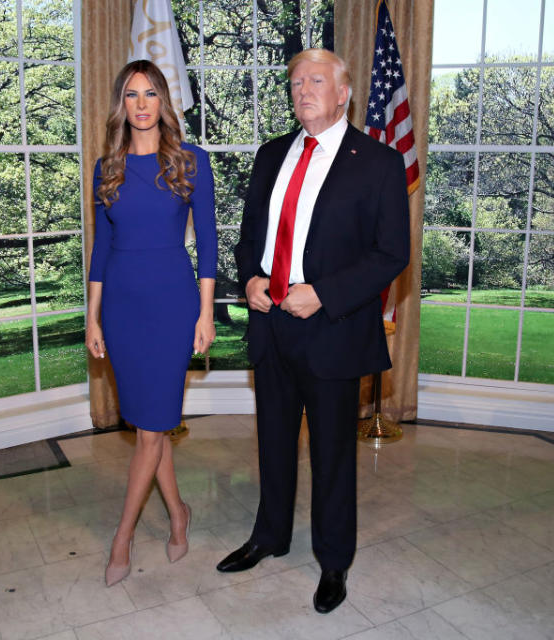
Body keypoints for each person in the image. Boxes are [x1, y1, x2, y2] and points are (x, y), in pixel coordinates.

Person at [218, 48, 410, 613]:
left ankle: (333, 563)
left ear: (345, 91)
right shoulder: (271, 153)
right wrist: (249, 277)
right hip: (270, 326)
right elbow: (250, 234)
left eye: (317, 80)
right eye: (296, 81)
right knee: (272, 443)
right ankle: (269, 536)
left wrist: (323, 293)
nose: (304, 89)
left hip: (332, 328)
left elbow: (390, 252)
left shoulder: (377, 162)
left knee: (331, 457)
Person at [86, 60, 217, 587]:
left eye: (151, 94)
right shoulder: (106, 169)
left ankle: (122, 537)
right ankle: (178, 512)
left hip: (171, 305)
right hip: (121, 307)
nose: (142, 104)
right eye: (132, 95)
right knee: (151, 425)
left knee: (149, 429)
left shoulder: (192, 162)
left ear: (164, 102)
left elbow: (207, 244)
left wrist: (206, 312)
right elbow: (101, 250)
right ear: (123, 105)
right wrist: (93, 317)